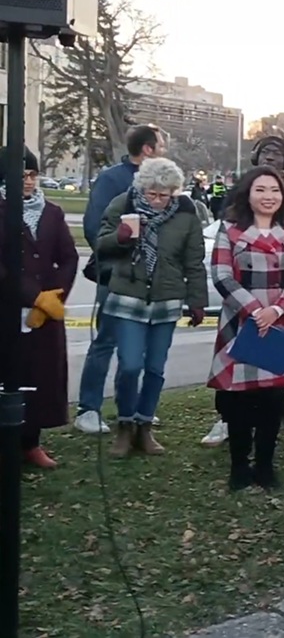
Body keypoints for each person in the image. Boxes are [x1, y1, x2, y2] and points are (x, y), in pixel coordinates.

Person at [208, 166, 284, 491]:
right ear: (248, 193)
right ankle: (239, 466)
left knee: (272, 398)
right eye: (260, 190)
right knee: (239, 399)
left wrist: (277, 310)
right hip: (241, 322)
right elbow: (221, 275)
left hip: (281, 322)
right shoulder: (230, 230)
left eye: (274, 190)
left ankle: (265, 466)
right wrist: (255, 311)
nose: (268, 196)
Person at [95, 158, 207, 456]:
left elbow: (194, 261)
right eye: (151, 194)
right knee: (130, 364)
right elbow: (100, 243)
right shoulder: (123, 204)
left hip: (166, 298)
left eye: (164, 195)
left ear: (174, 192)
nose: (157, 200)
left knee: (156, 367)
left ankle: (144, 425)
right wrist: (119, 238)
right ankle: (125, 424)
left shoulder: (186, 213)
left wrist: (197, 301)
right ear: (142, 188)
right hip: (128, 295)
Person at [77, 123, 164, 435]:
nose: (164, 151)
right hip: (116, 277)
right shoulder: (112, 179)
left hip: (150, 280)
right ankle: (88, 409)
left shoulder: (161, 182)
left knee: (138, 347)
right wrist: (116, 260)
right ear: (148, 149)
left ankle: (130, 409)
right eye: (161, 145)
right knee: (106, 341)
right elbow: (94, 226)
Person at [0, 147, 77, 468]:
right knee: (9, 373)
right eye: (21, 176)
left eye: (33, 174)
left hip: (45, 313)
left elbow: (68, 257)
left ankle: (31, 443)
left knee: (40, 374)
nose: (29, 181)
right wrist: (33, 296)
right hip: (8, 309)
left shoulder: (52, 212)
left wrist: (53, 299)